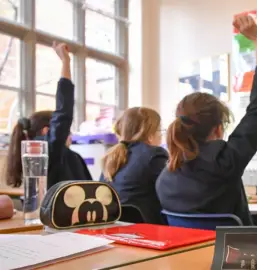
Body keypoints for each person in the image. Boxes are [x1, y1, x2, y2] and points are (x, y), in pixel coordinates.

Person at [156, 15, 257, 226]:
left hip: (185, 259)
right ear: (218, 130)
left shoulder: (164, 179)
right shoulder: (226, 162)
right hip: (236, 257)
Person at [5, 42, 92, 189]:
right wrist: (66, 62)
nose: (69, 135)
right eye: (67, 131)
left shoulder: (66, 156)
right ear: (47, 131)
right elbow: (63, 112)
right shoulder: (49, 152)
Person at [101, 107, 168, 224]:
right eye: (160, 130)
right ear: (149, 134)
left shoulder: (111, 157)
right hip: (149, 229)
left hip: (116, 227)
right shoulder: (155, 154)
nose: (161, 136)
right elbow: (169, 193)